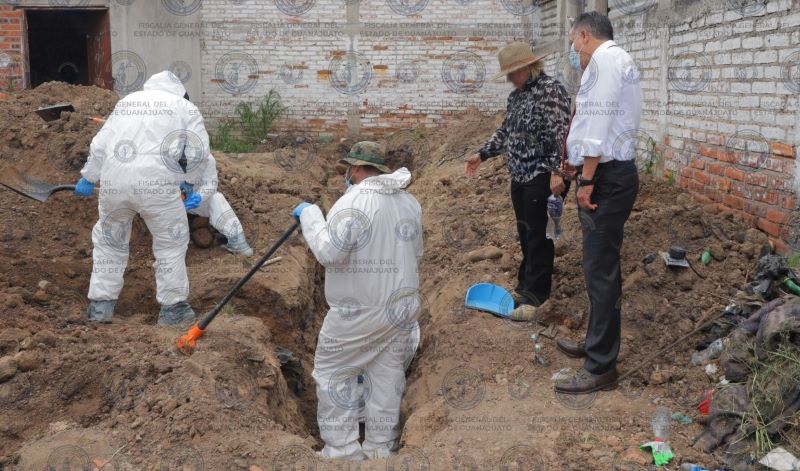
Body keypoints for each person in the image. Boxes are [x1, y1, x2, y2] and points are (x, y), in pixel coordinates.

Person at [292, 141, 423, 460]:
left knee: (334, 370)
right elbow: (416, 253)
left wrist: (310, 216)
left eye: (348, 169)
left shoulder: (353, 203)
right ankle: (380, 448)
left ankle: (343, 450)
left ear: (359, 169)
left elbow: (329, 253)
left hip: (359, 310)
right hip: (401, 307)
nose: (346, 175)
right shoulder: (409, 202)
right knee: (386, 374)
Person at [74, 70, 210, 326]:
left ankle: (100, 308)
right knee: (170, 242)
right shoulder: (185, 108)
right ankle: (173, 310)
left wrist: (89, 177)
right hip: (157, 183)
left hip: (114, 181)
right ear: (181, 92)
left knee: (109, 242)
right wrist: (189, 182)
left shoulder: (127, 103)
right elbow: (198, 152)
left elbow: (100, 144)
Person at [554, 12, 642, 394]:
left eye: (574, 44)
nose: (575, 52)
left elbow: (600, 124)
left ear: (585, 36)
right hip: (605, 174)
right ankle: (596, 344)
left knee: (600, 270)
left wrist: (587, 178)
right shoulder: (614, 60)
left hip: (607, 178)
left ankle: (601, 366)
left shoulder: (605, 60)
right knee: (599, 268)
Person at [464, 41, 571, 318]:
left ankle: (536, 299)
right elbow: (505, 131)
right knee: (526, 232)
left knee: (539, 236)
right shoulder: (517, 96)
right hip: (520, 174)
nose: (509, 79)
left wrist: (557, 173)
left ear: (527, 67)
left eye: (512, 73)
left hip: (543, 175)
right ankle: (525, 287)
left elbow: (561, 134)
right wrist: (482, 154)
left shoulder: (551, 91)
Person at [187, 152, 254, 256]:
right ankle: (171, 250)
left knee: (216, 198)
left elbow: (211, 183)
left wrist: (199, 196)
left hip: (195, 201)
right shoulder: (164, 160)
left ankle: (237, 241)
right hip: (170, 203)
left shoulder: (207, 159)